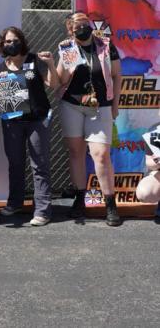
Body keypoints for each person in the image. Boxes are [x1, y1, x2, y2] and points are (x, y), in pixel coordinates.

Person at [56, 12, 122, 226]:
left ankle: (110, 204)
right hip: (72, 105)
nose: (82, 26)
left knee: (101, 155)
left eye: (85, 22)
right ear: (70, 29)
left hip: (100, 105)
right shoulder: (67, 48)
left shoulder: (105, 44)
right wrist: (68, 60)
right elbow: (61, 81)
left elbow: (116, 75)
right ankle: (78, 200)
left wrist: (115, 105)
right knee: (75, 152)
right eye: (77, 24)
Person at [0, 27, 59, 226]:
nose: (11, 44)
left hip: (37, 121)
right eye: (7, 41)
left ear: (21, 41)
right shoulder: (0, 69)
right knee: (15, 164)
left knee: (39, 165)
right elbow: (1, 101)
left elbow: (53, 84)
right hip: (12, 123)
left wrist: (50, 63)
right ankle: (15, 203)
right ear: (2, 45)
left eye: (14, 40)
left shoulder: (34, 60)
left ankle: (42, 210)